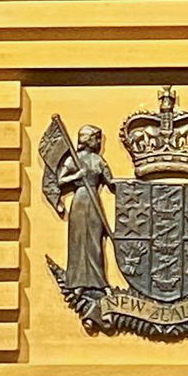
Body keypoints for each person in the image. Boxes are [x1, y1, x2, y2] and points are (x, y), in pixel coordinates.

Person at [55, 125, 114, 292]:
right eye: (96, 138)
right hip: (80, 200)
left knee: (95, 240)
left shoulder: (99, 160)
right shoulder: (74, 159)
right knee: (79, 241)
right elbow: (60, 180)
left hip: (94, 199)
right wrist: (76, 176)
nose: (99, 142)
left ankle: (99, 282)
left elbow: (111, 182)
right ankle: (78, 283)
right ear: (88, 139)